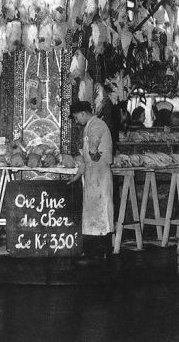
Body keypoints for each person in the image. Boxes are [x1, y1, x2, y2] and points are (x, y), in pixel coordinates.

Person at [68, 100, 114, 260]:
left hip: (99, 175)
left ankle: (102, 251)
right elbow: (87, 157)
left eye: (76, 117)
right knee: (93, 213)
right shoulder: (90, 125)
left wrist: (94, 151)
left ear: (83, 113)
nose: (76, 121)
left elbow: (93, 146)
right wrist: (79, 174)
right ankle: (94, 251)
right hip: (93, 174)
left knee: (101, 212)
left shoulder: (96, 125)